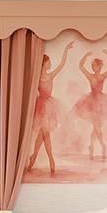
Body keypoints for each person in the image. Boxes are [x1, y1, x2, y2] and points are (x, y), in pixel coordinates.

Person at [27, 41, 75, 174]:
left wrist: (65, 50)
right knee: (45, 133)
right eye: (48, 62)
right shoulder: (36, 78)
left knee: (41, 135)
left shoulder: (50, 75)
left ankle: (33, 156)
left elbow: (61, 65)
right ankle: (51, 160)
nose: (50, 64)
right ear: (43, 64)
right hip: (41, 107)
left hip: (50, 106)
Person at [73, 50, 107, 159]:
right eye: (93, 66)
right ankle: (103, 146)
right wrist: (86, 55)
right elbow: (81, 66)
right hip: (91, 103)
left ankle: (91, 146)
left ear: (100, 67)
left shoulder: (102, 76)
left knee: (97, 127)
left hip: (101, 103)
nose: (94, 67)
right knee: (97, 127)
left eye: (95, 65)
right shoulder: (90, 76)